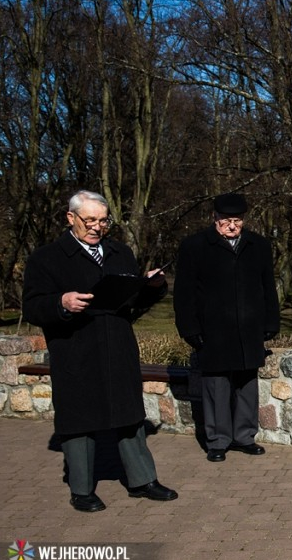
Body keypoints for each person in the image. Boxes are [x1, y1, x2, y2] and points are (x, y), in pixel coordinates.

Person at [23, 190, 178, 512]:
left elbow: (132, 305)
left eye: (103, 221)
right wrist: (60, 302)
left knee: (129, 414)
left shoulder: (120, 252)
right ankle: (81, 489)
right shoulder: (46, 258)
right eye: (89, 220)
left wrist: (149, 287)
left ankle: (142, 480)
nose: (96, 227)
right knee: (79, 420)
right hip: (74, 348)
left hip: (118, 345)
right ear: (71, 218)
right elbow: (33, 307)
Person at [174, 193, 281, 463]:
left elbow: (268, 286)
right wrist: (189, 328)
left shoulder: (258, 245)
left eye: (237, 220)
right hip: (213, 330)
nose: (232, 226)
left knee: (247, 384)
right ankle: (218, 440)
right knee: (216, 386)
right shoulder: (195, 246)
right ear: (215, 218)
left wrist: (271, 321)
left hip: (248, 329)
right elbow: (183, 293)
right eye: (226, 221)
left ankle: (245, 436)